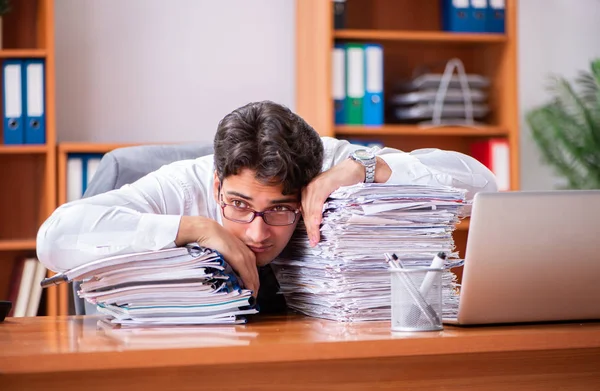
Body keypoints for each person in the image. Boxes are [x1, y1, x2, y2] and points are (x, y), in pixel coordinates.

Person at [36, 100, 497, 312]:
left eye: (280, 209)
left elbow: (483, 186)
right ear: (217, 182)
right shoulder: (183, 184)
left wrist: (366, 167)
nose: (257, 234)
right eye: (238, 205)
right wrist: (199, 228)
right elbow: (55, 236)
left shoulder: (332, 162)